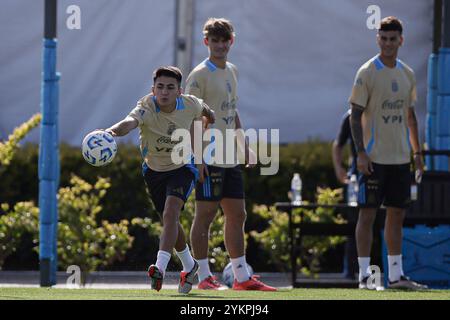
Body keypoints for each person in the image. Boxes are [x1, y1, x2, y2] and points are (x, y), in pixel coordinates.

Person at [105, 66, 215, 293]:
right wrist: (110, 132)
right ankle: (189, 265)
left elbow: (204, 110)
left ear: (179, 91)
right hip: (153, 171)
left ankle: (160, 268)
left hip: (183, 167)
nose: (164, 92)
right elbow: (128, 123)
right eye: (160, 87)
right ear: (153, 89)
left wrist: (209, 118)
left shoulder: (190, 103)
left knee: (170, 213)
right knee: (170, 222)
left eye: (170, 88)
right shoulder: (146, 106)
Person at [185, 17, 276, 291]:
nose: (220, 45)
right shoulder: (199, 75)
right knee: (205, 215)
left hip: (229, 156)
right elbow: (192, 119)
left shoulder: (233, 70)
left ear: (231, 41)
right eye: (215, 40)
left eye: (225, 40)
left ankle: (241, 277)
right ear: (206, 42)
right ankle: (202, 278)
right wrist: (198, 158)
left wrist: (244, 145)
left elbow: (231, 112)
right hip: (209, 156)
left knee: (238, 214)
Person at [349, 16, 427, 290]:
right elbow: (355, 115)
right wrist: (360, 153)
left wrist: (418, 153)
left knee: (397, 215)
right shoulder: (367, 72)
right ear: (377, 39)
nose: (388, 43)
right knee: (367, 215)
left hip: (400, 159)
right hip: (373, 158)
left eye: (393, 39)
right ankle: (365, 276)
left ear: (401, 41)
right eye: (384, 38)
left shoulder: (407, 74)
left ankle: (395, 276)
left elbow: (410, 116)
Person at [332, 109, 358, 279]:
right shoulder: (351, 116)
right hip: (357, 176)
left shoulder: (379, 113)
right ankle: (350, 271)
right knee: (354, 224)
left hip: (384, 170)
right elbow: (338, 145)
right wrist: (339, 168)